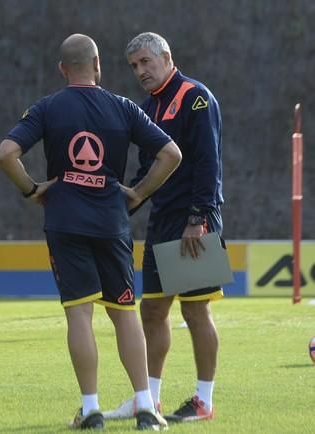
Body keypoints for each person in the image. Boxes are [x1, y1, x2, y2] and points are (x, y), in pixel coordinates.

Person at [0, 34, 181, 431]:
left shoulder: (47, 107)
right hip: (112, 221)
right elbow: (172, 154)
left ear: (63, 70)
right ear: (98, 64)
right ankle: (146, 408)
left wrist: (32, 190)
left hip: (65, 221)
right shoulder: (124, 107)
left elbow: (5, 154)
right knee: (125, 313)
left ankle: (92, 409)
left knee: (79, 315)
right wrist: (137, 194)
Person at [104, 32, 224, 423]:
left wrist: (199, 218)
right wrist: (117, 206)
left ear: (166, 57)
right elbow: (146, 174)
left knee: (195, 311)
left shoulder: (195, 97)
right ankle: (148, 400)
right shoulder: (147, 108)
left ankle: (203, 401)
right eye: (134, 66)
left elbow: (209, 163)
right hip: (162, 220)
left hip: (194, 220)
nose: (140, 71)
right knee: (153, 310)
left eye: (145, 62)